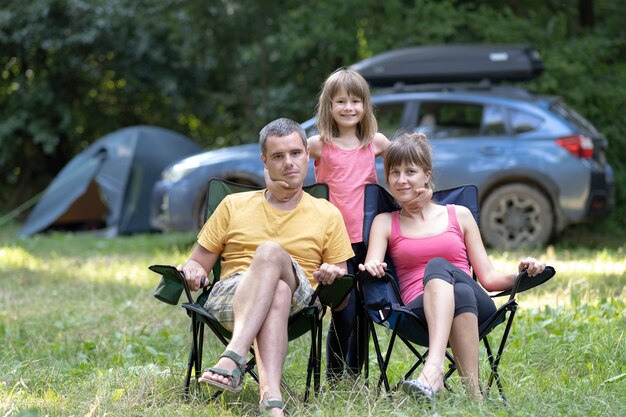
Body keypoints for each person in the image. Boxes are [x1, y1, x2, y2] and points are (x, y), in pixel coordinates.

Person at [179, 118, 354, 416]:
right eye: (278, 156)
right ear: (264, 160)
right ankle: (271, 399)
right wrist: (194, 269)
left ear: (307, 156)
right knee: (278, 290)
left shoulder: (327, 213)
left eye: (295, 153)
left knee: (271, 253)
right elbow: (198, 261)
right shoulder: (234, 205)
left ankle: (232, 357)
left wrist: (333, 274)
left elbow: (344, 296)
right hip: (232, 295)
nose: (288, 163)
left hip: (301, 301)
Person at [268, 68, 431, 381]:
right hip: (330, 240)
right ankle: (333, 373)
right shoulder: (317, 145)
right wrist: (276, 185)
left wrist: (422, 183)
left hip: (367, 241)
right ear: (328, 105)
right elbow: (280, 158)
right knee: (342, 305)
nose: (348, 108)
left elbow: (410, 155)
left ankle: (354, 374)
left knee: (362, 308)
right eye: (340, 101)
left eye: (356, 101)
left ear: (365, 106)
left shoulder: (376, 142)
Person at [358, 131, 546, 399]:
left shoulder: (459, 215)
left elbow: (489, 279)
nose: (401, 180)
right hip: (418, 312)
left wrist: (522, 274)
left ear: (426, 174)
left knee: (439, 266)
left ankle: (432, 368)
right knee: (459, 292)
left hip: (479, 307)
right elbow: (372, 263)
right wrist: (375, 266)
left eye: (410, 171)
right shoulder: (385, 221)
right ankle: (475, 399)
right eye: (394, 172)